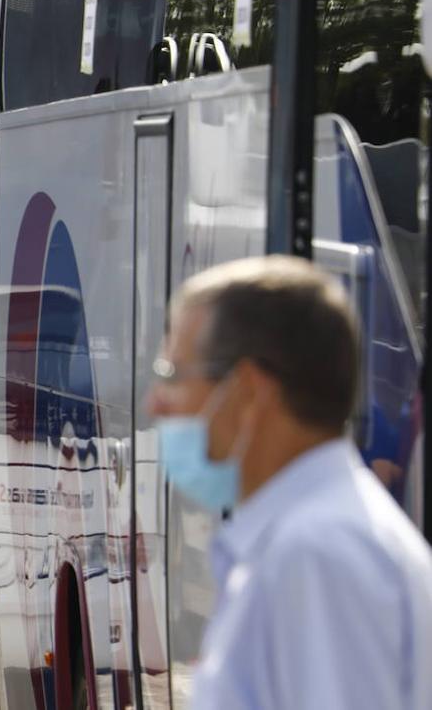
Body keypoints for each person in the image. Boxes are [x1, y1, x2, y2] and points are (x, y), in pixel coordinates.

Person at [148, 255, 432, 710]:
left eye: (173, 376)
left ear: (249, 391)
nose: (155, 404)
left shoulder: (315, 553)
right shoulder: (319, 536)